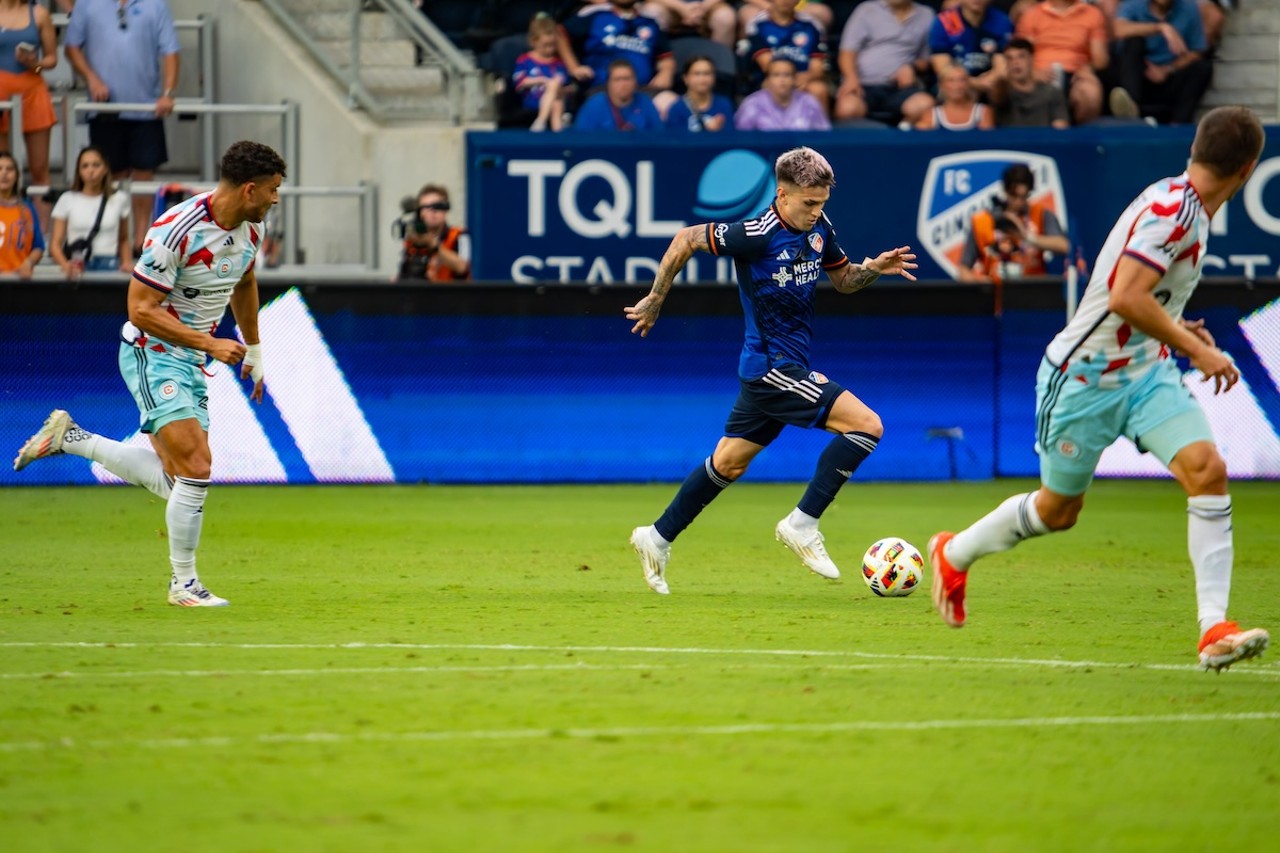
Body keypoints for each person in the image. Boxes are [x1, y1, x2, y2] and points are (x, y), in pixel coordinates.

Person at [929, 107, 1271, 673]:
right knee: (1059, 511)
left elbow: (1142, 300)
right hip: (1082, 379)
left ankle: (1214, 628)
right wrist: (1198, 349)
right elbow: (1125, 298)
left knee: (1207, 470)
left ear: (1195, 150)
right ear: (1250, 168)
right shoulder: (1175, 216)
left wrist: (1180, 330)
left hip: (1145, 373)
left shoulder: (1180, 200)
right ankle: (954, 552)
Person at [624, 146, 918, 594]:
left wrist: (872, 269)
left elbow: (843, 281)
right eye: (809, 203)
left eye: (822, 203)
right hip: (770, 369)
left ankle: (656, 537)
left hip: (781, 368)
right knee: (866, 426)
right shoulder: (756, 233)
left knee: (728, 462)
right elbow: (685, 239)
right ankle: (801, 524)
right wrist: (657, 298)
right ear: (782, 194)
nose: (816, 212)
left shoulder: (819, 228)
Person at [12, 140, 287, 608]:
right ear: (248, 189)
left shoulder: (249, 230)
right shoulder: (176, 230)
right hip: (153, 352)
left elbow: (242, 281)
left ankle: (72, 439)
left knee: (182, 480)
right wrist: (209, 342)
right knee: (198, 467)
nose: (276, 198)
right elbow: (140, 310)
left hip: (191, 359)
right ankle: (183, 585)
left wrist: (254, 348)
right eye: (273, 190)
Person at [64, 0, 182, 257]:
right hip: (105, 108)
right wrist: (92, 79)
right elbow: (71, 48)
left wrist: (168, 93)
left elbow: (171, 51)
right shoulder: (88, 4)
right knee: (111, 176)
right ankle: (118, 242)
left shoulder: (156, 5)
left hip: (146, 108)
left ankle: (141, 241)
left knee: (143, 176)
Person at [957, 162, 1068, 291]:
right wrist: (982, 284)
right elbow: (963, 269)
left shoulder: (1041, 215)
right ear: (1005, 191)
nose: (1019, 202)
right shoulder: (982, 221)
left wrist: (1027, 237)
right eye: (1014, 196)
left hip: (1032, 294)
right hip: (995, 296)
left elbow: (1063, 245)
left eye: (1024, 197)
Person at [0, 0, 58, 232]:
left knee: (39, 167)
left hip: (32, 89)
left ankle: (41, 232)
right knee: (2, 165)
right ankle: (5, 228)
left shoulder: (40, 14)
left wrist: (34, 63)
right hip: (1, 90)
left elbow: (52, 58)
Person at [833, 0, 936, 126]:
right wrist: (851, 78)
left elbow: (927, 59)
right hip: (863, 85)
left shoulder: (926, 15)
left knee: (925, 105)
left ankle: (902, 134)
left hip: (899, 88)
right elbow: (847, 52)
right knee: (846, 109)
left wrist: (912, 68)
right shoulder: (866, 10)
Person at [1111, 0, 1213, 125]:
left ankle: (1178, 123)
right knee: (1132, 42)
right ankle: (1131, 108)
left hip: (1169, 74)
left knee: (1202, 68)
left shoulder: (1189, 8)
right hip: (1138, 75)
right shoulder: (1134, 4)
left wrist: (1167, 69)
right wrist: (1160, 28)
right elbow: (1118, 30)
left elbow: (1197, 51)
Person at [1014, 0, 1110, 124]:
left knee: (1090, 92)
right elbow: (1020, 54)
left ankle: (1082, 140)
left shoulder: (1092, 14)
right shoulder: (1032, 14)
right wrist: (1033, 73)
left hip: (1075, 75)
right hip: (1040, 74)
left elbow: (1101, 59)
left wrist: (1088, 68)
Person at [49, 146, 132, 279]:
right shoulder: (67, 198)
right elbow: (55, 243)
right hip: (77, 264)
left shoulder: (119, 198)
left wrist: (127, 262)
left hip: (109, 263)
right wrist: (65, 266)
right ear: (79, 171)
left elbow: (124, 238)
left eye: (96, 165)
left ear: (105, 169)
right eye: (85, 166)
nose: (91, 171)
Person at [745, 0, 830, 113]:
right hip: (773, 78)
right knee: (772, 86)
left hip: (804, 79)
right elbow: (767, 65)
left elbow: (817, 67)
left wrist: (804, 78)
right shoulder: (758, 25)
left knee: (819, 89)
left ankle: (819, 129)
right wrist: (790, 80)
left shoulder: (811, 25)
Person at [929, 0, 1013, 102]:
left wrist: (989, 80)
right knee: (953, 86)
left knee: (1002, 87)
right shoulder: (944, 21)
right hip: (955, 81)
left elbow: (1002, 67)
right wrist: (975, 83)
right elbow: (943, 68)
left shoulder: (1002, 21)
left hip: (989, 83)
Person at [397, 184, 471, 282]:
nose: (433, 212)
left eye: (438, 206)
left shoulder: (459, 235)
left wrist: (433, 245)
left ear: (446, 210)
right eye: (426, 207)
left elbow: (462, 267)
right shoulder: (413, 240)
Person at [735, 56, 831, 130]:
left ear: (794, 79)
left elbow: (823, 136)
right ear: (768, 80)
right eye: (776, 75)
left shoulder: (809, 102)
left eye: (787, 75)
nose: (782, 80)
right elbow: (741, 139)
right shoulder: (752, 103)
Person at [513, 13, 572, 131]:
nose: (550, 49)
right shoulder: (525, 60)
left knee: (557, 103)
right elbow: (520, 83)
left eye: (553, 45)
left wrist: (560, 89)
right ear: (533, 42)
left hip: (556, 99)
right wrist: (542, 80)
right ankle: (543, 121)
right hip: (533, 99)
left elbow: (567, 86)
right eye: (545, 45)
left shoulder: (558, 63)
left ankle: (555, 133)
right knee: (553, 86)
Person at [994, 37, 1070, 128]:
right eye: (1009, 58)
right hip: (1009, 141)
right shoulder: (1002, 91)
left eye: (1021, 56)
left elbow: (1060, 130)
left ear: (1031, 59)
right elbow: (996, 96)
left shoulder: (1052, 93)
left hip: (1044, 141)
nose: (1015, 62)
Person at [573, 58, 665, 131]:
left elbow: (658, 136)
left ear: (635, 82)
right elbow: (581, 139)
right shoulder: (593, 106)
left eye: (627, 79)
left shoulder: (645, 103)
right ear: (608, 83)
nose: (622, 84)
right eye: (617, 79)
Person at [0, 151, 44, 277]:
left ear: (17, 176)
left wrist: (29, 263)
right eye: (0, 168)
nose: (4, 173)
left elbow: (38, 246)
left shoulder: (27, 208)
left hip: (19, 280)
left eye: (9, 169)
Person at [914, 63, 995, 129]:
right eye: (951, 80)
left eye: (961, 80)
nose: (957, 86)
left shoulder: (983, 112)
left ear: (968, 84)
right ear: (941, 85)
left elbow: (987, 143)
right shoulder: (931, 115)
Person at [665, 55, 735, 131]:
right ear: (685, 78)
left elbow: (730, 137)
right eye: (696, 74)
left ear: (714, 77)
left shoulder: (724, 105)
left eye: (707, 73)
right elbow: (675, 140)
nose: (702, 79)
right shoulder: (676, 108)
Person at [641, 0, 738, 48]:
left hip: (708, 6)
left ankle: (718, 70)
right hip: (671, 6)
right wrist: (682, 8)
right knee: (652, 11)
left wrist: (702, 8)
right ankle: (659, 64)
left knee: (725, 17)